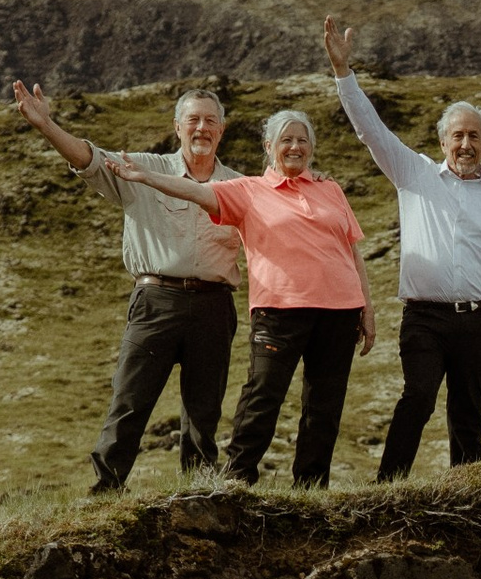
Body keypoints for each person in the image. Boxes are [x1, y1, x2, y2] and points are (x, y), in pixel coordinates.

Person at [101, 109, 375, 488]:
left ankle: (311, 488)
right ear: (269, 146)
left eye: (302, 140)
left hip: (340, 311)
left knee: (324, 406)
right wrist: (147, 177)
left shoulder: (331, 189)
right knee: (262, 398)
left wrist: (367, 309)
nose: (295, 147)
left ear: (312, 147)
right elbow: (196, 191)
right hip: (279, 311)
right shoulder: (248, 189)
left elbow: (351, 250)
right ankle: (237, 481)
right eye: (286, 140)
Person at [322, 20, 481, 480]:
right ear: (443, 142)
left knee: (469, 415)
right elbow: (371, 130)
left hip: (478, 322)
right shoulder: (414, 173)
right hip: (424, 318)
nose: (465, 144)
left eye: (474, 136)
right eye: (457, 136)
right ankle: (387, 487)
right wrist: (344, 73)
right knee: (418, 397)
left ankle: (467, 492)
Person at [9, 79, 239, 494]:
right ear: (177, 126)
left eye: (210, 121)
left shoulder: (240, 186)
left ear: (222, 129)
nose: (202, 128)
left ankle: (200, 492)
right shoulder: (142, 169)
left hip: (214, 306)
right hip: (156, 301)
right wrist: (46, 125)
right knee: (130, 399)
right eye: (193, 120)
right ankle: (106, 488)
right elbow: (89, 159)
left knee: (205, 409)